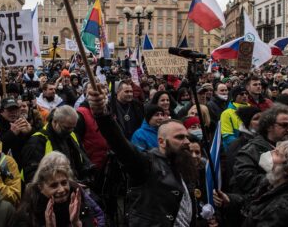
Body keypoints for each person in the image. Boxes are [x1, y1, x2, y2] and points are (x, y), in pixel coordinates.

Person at [87, 86, 212, 226]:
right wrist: (101, 113)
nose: (187, 142)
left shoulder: (184, 164)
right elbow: (120, 144)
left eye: (187, 137)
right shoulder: (147, 164)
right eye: (180, 137)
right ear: (161, 142)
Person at [216, 140, 288, 227]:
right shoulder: (273, 184)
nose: (270, 153)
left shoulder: (283, 208)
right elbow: (252, 201)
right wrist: (230, 200)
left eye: (277, 153)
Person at [14, 151, 105, 227]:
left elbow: (98, 217)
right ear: (40, 187)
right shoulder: (28, 211)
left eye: (64, 183)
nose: (61, 189)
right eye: (54, 185)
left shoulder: (76, 194)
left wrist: (76, 223)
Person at [230, 104, 288, 195]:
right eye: (284, 125)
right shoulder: (250, 151)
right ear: (269, 127)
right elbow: (247, 182)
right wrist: (281, 178)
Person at [22, 105, 92, 184]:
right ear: (55, 121)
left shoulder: (72, 135)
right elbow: (31, 176)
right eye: (66, 128)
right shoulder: (37, 141)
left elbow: (82, 159)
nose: (70, 131)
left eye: (73, 128)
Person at [0, 97, 33, 166]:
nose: (13, 113)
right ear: (1, 112)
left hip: (22, 166)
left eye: (15, 110)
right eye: (10, 110)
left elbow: (31, 148)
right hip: (4, 166)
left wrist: (30, 132)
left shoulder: (23, 123)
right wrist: (11, 134)